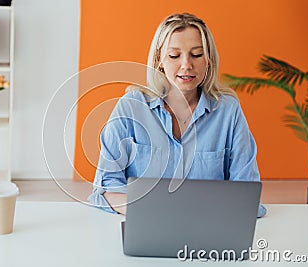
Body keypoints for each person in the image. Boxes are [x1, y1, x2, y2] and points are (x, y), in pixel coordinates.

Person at [88, 13, 266, 218]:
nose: (186, 65)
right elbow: (106, 188)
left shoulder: (229, 112)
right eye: (174, 56)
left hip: (208, 234)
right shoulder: (131, 108)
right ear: (159, 60)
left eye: (197, 55)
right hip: (146, 227)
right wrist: (154, 212)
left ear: (208, 60)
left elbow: (247, 193)